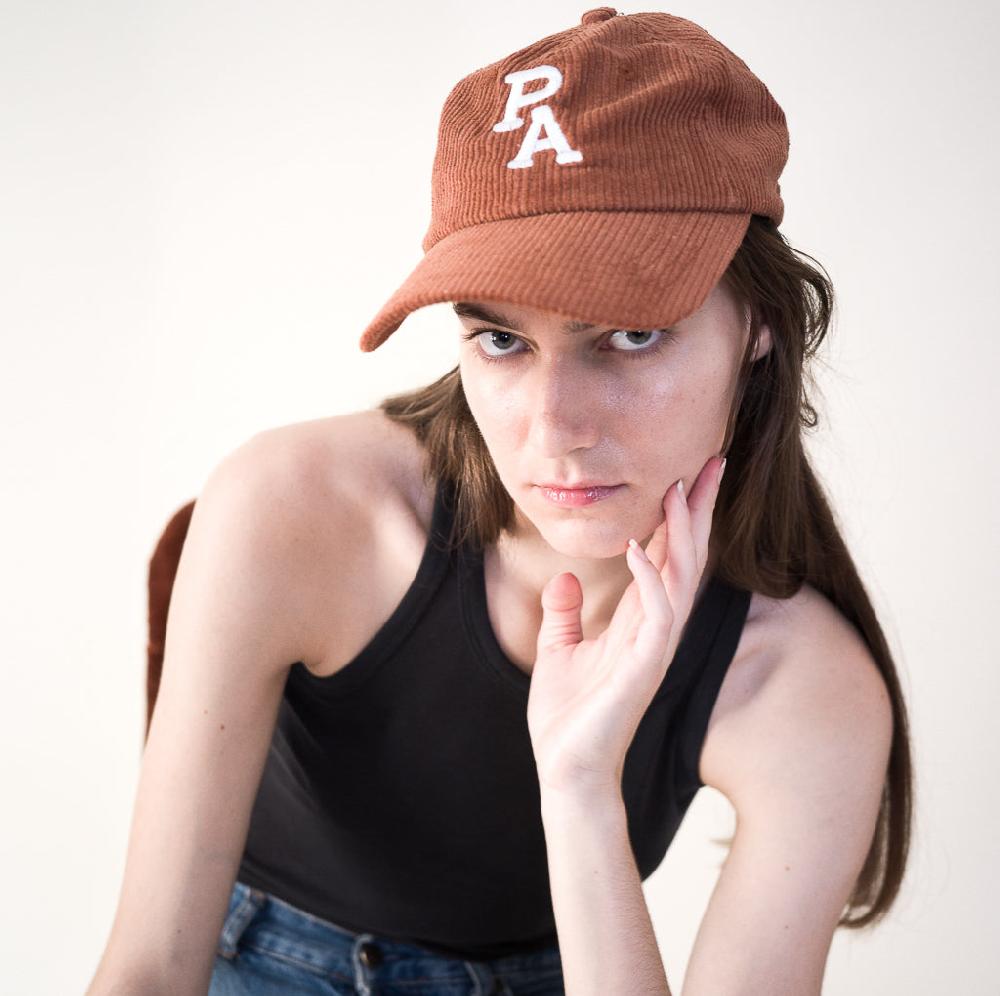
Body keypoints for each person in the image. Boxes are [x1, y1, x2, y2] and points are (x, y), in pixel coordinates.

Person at [87, 7, 913, 996]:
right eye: (500, 340)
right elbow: (144, 971)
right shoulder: (296, 508)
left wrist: (577, 789)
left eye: (631, 335)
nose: (554, 426)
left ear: (763, 325)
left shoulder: (799, 685)